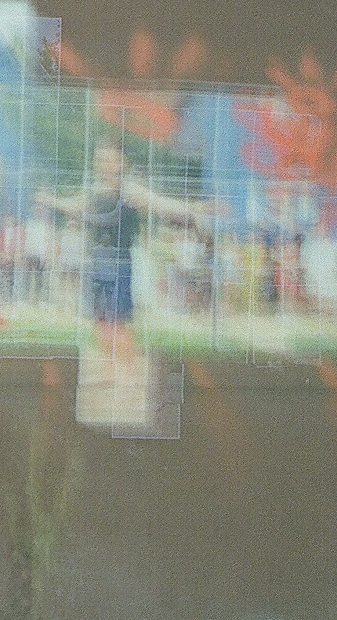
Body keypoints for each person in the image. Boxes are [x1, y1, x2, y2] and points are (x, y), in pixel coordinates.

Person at [34, 136, 212, 429]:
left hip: (119, 263)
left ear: (122, 161)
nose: (104, 164)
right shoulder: (94, 190)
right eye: (100, 159)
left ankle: (128, 375)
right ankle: (111, 371)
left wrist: (192, 211)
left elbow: (160, 204)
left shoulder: (129, 190)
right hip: (96, 263)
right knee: (100, 322)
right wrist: (50, 200)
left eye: (110, 159)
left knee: (119, 322)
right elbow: (76, 206)